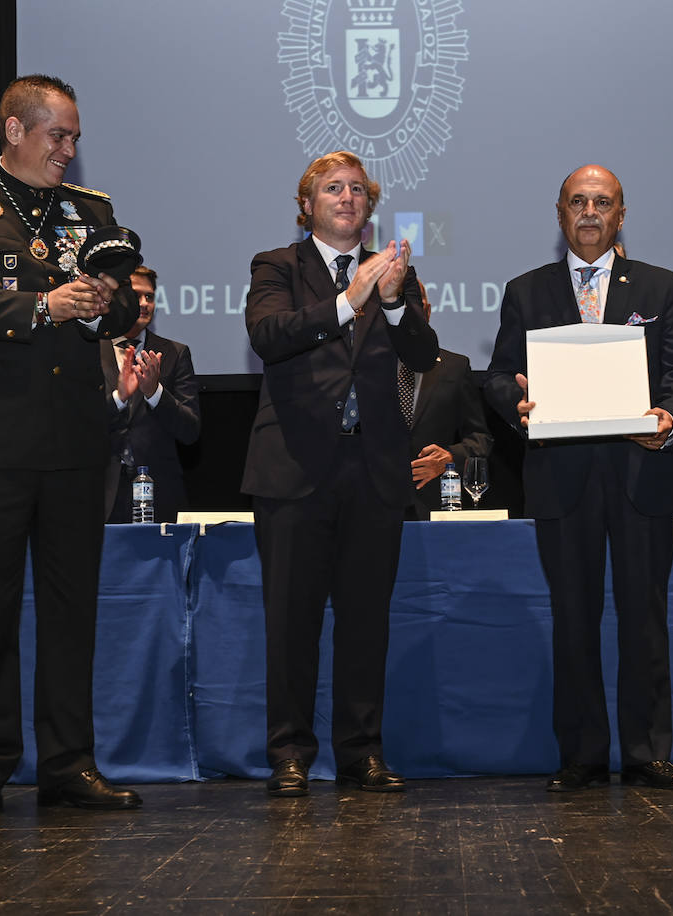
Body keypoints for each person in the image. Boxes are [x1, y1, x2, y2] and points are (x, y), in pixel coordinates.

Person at [0, 75, 143, 820]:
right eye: (57, 136)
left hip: (75, 439)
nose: (69, 151)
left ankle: (70, 765)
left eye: (74, 138)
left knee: (73, 612)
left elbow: (126, 307)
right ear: (14, 130)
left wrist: (110, 302)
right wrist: (40, 306)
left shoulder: (91, 211)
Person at [485, 165, 673, 791]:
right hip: (561, 478)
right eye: (577, 202)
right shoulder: (527, 291)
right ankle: (580, 753)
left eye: (601, 202)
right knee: (572, 619)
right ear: (559, 213)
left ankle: (646, 751)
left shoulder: (660, 287)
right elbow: (500, 376)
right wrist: (515, 405)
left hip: (643, 474)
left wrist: (670, 416)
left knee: (645, 618)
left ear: (621, 214)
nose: (589, 212)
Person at [241, 151, 438, 796]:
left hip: (375, 471)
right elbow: (271, 335)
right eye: (333, 188)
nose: (347, 197)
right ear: (307, 206)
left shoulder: (393, 272)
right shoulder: (276, 266)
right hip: (295, 469)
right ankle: (290, 754)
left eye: (357, 188)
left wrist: (395, 303)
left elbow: (422, 354)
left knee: (365, 621)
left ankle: (361, 752)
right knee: (291, 622)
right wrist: (352, 302)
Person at [103, 265, 202, 523]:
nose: (145, 304)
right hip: (99, 492)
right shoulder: (89, 350)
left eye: (150, 296)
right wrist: (119, 399)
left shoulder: (174, 353)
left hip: (159, 494)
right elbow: (76, 424)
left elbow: (190, 430)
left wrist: (155, 393)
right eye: (137, 296)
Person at [403, 284, 493, 519]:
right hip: (370, 507)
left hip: (432, 505)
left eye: (415, 302)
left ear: (428, 311)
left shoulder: (455, 367)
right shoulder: (364, 368)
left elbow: (480, 438)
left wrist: (450, 457)